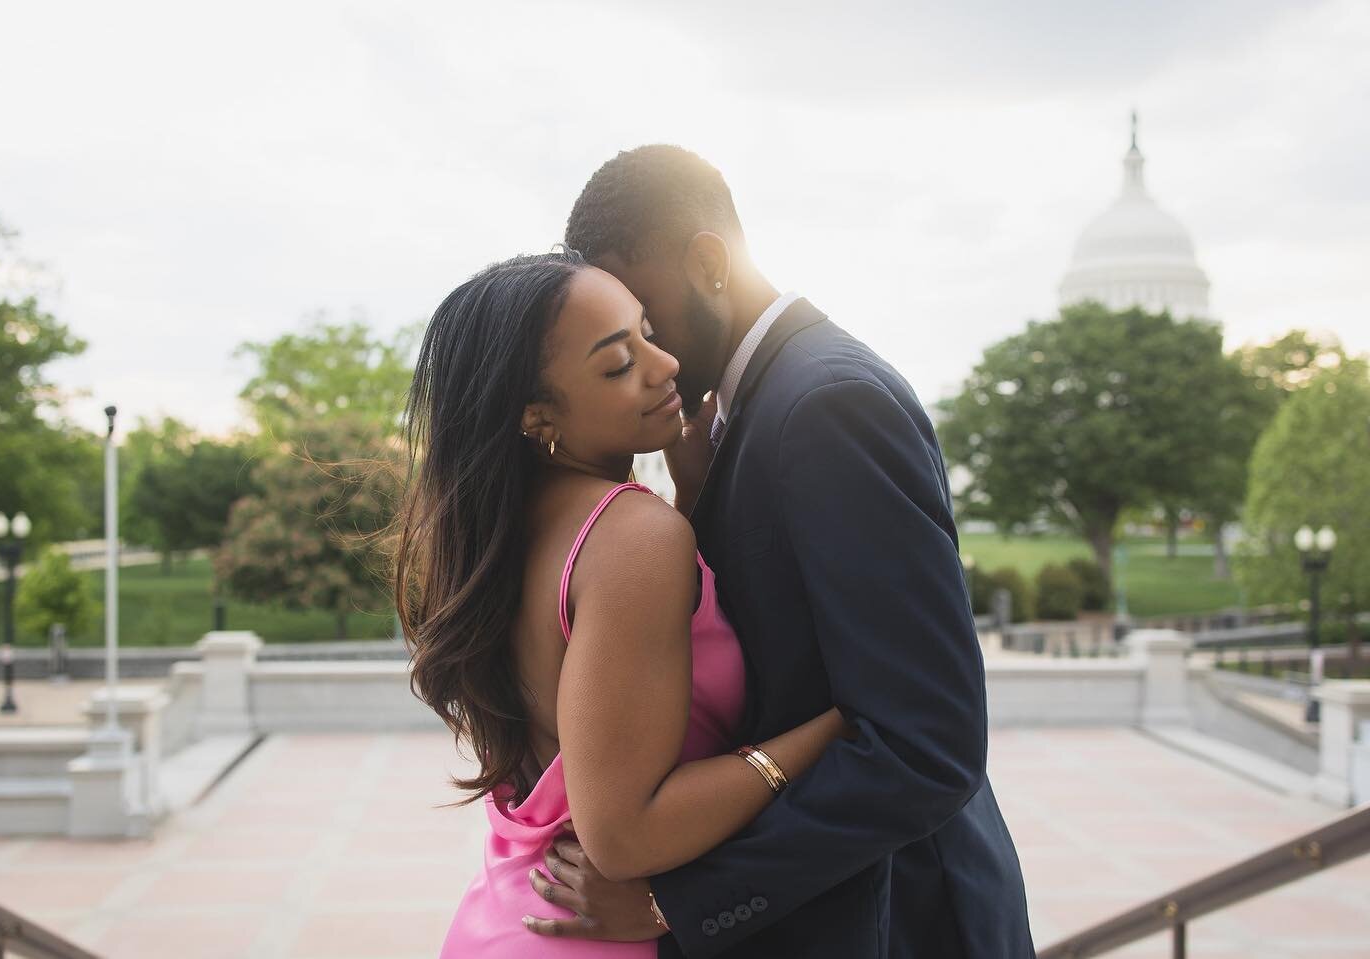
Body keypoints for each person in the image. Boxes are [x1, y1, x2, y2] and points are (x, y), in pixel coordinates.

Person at [522, 145, 1034, 957]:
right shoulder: (750, 409)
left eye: (649, 317)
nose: (653, 357)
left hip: (897, 922)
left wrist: (681, 898)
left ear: (709, 263)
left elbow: (926, 743)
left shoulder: (829, 403)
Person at [394, 249, 854, 957]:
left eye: (646, 331)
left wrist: (696, 499)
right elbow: (624, 833)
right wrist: (827, 730)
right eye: (617, 363)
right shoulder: (633, 536)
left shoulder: (499, 534)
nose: (664, 364)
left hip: (505, 917)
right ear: (537, 415)